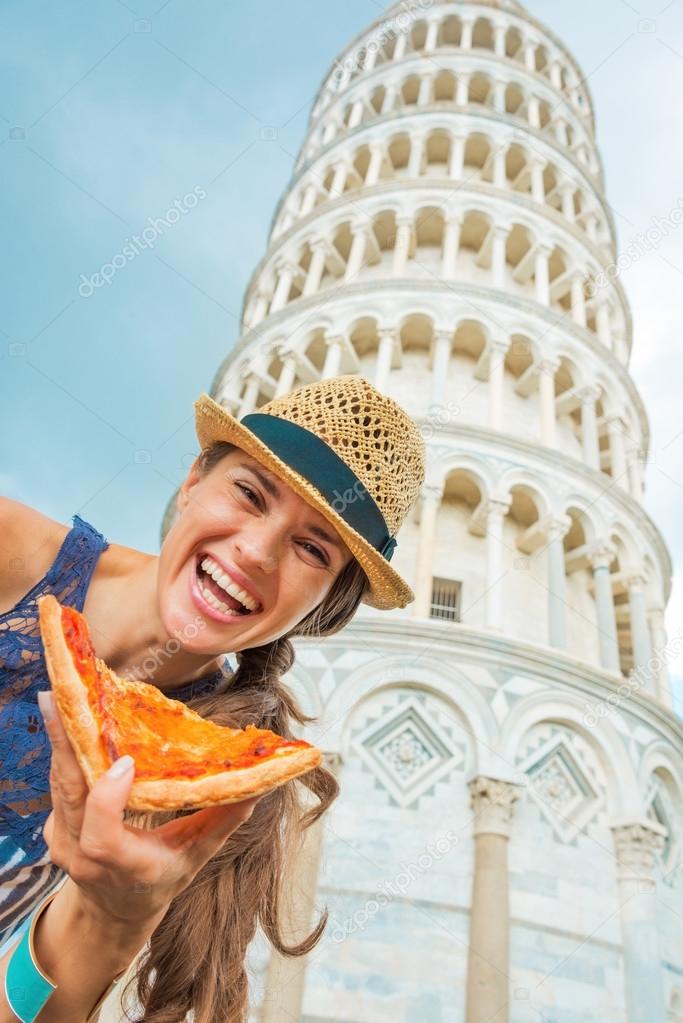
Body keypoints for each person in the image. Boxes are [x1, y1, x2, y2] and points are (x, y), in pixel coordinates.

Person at [0, 374, 425, 1022]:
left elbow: (21, 1007)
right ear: (193, 480)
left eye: (311, 547)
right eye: (250, 494)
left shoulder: (212, 789)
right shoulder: (11, 555)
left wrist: (106, 923)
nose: (254, 552)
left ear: (324, 607)